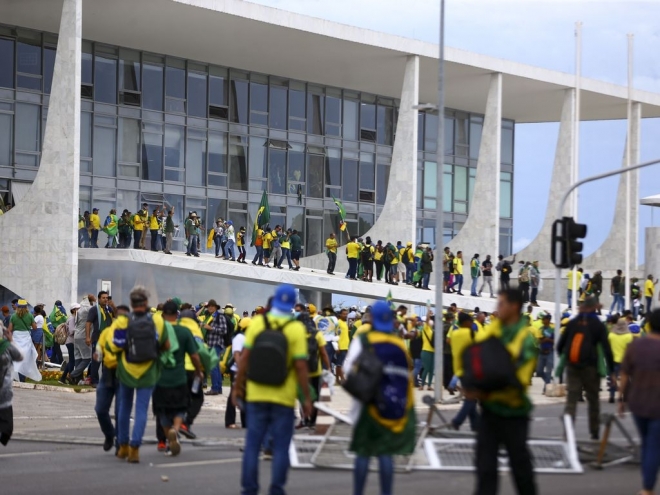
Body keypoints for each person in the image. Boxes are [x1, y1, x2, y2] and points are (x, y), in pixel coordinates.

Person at [233, 284, 312, 495]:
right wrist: (306, 398)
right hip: (283, 397)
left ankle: (249, 489)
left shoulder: (258, 323)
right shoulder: (296, 329)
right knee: (281, 447)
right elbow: (301, 366)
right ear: (292, 305)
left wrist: (236, 388)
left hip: (256, 393)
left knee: (252, 444)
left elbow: (245, 359)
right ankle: (276, 489)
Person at [470, 289, 538, 495]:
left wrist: (487, 385)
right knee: (485, 468)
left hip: (514, 413)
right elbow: (477, 357)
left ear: (514, 306)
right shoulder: (494, 330)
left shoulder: (525, 338)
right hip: (490, 411)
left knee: (520, 468)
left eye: (500, 304)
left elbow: (520, 379)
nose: (496, 309)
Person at [344, 300, 416, 495]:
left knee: (363, 452)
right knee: (385, 454)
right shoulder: (398, 344)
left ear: (372, 318)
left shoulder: (364, 340)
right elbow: (406, 377)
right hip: (390, 406)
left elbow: (347, 368)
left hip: (367, 403)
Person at [109, 287, 170, 463]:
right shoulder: (157, 321)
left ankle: (123, 446)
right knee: (142, 409)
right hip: (149, 370)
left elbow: (115, 346)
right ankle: (135, 448)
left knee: (124, 407)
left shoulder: (122, 321)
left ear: (131, 303)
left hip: (127, 370)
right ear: (146, 303)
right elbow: (166, 345)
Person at [557, 297, 614, 440]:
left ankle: (567, 433)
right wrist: (611, 371)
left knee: (571, 400)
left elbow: (560, 346)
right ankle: (594, 431)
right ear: (594, 308)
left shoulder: (572, 323)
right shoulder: (598, 324)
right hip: (591, 367)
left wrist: (567, 361)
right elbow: (607, 349)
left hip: (573, 366)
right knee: (593, 399)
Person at [618, 308, 660, 495]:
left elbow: (625, 374)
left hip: (637, 403)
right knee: (653, 445)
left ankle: (646, 486)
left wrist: (620, 399)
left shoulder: (635, 345)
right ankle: (647, 488)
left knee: (646, 444)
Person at [153, 302, 203, 457]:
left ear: (163, 316)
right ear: (177, 315)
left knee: (162, 412)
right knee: (180, 408)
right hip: (179, 378)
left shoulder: (157, 333)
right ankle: (176, 429)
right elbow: (194, 355)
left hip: (160, 379)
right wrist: (199, 370)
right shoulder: (184, 331)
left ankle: (169, 437)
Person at [94, 301, 120, 452]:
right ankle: (110, 434)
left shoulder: (131, 332)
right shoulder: (107, 333)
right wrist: (98, 354)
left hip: (124, 375)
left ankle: (121, 443)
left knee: (120, 412)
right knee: (100, 409)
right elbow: (98, 352)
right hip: (108, 373)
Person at [449, 312, 479, 431]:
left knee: (470, 396)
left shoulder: (454, 334)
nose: (472, 323)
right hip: (470, 369)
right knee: (471, 398)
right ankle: (457, 421)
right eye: (471, 321)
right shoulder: (471, 333)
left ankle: (476, 425)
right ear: (466, 322)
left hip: (459, 369)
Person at [225, 317, 250, 429]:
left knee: (245, 395)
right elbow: (236, 355)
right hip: (237, 370)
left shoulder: (249, 338)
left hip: (246, 370)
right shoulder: (239, 338)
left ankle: (246, 422)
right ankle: (230, 421)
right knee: (233, 395)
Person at [0, 331, 23, 446]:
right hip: (4, 396)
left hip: (5, 395)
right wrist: (11, 340)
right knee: (7, 429)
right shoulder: (7, 347)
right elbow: (20, 356)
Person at [86, 291, 112, 387]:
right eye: (103, 298)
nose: (106, 299)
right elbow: (88, 323)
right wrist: (88, 337)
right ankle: (94, 381)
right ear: (99, 299)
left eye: (107, 298)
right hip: (97, 339)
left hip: (108, 340)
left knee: (106, 362)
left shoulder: (109, 309)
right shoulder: (94, 309)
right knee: (96, 361)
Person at [202, 300, 226, 396]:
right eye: (209, 306)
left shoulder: (220, 316)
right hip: (212, 344)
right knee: (215, 367)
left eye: (212, 306)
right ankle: (218, 388)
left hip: (216, 344)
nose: (210, 308)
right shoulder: (210, 317)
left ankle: (215, 388)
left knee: (213, 367)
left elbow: (224, 330)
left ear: (216, 307)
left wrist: (211, 328)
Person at [68, 295, 93, 385]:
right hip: (83, 336)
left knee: (78, 358)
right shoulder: (87, 309)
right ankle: (73, 375)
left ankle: (77, 380)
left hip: (76, 337)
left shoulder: (79, 311)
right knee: (87, 358)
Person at [607, 315, 633, 404]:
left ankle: (611, 395)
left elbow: (608, 347)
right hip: (624, 360)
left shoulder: (611, 335)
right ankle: (625, 396)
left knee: (612, 378)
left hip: (613, 360)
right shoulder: (628, 336)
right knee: (625, 378)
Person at [532, 313, 554, 394]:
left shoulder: (553, 329)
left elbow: (556, 340)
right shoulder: (540, 329)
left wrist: (547, 339)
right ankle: (549, 382)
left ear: (548, 320)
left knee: (548, 372)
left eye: (544, 319)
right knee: (539, 371)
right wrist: (547, 339)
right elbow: (539, 341)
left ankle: (546, 388)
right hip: (541, 353)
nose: (542, 321)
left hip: (550, 352)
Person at [59, 303, 79, 385]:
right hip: (71, 341)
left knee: (71, 360)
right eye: (78, 309)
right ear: (74, 310)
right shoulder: (72, 319)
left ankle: (63, 378)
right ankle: (71, 378)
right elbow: (71, 331)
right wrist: (80, 331)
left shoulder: (73, 318)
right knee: (72, 361)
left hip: (71, 342)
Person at [419, 313, 435, 390]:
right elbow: (427, 320)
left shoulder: (432, 330)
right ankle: (422, 385)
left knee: (431, 369)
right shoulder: (426, 328)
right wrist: (428, 313)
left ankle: (429, 385)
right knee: (426, 368)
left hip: (432, 351)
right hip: (426, 351)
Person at [336, 308, 350, 384]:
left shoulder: (345, 323)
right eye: (344, 314)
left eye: (346, 314)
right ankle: (342, 379)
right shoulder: (338, 323)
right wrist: (337, 346)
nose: (345, 315)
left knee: (340, 363)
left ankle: (337, 380)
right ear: (340, 314)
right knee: (339, 364)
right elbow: (337, 334)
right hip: (341, 346)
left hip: (345, 346)